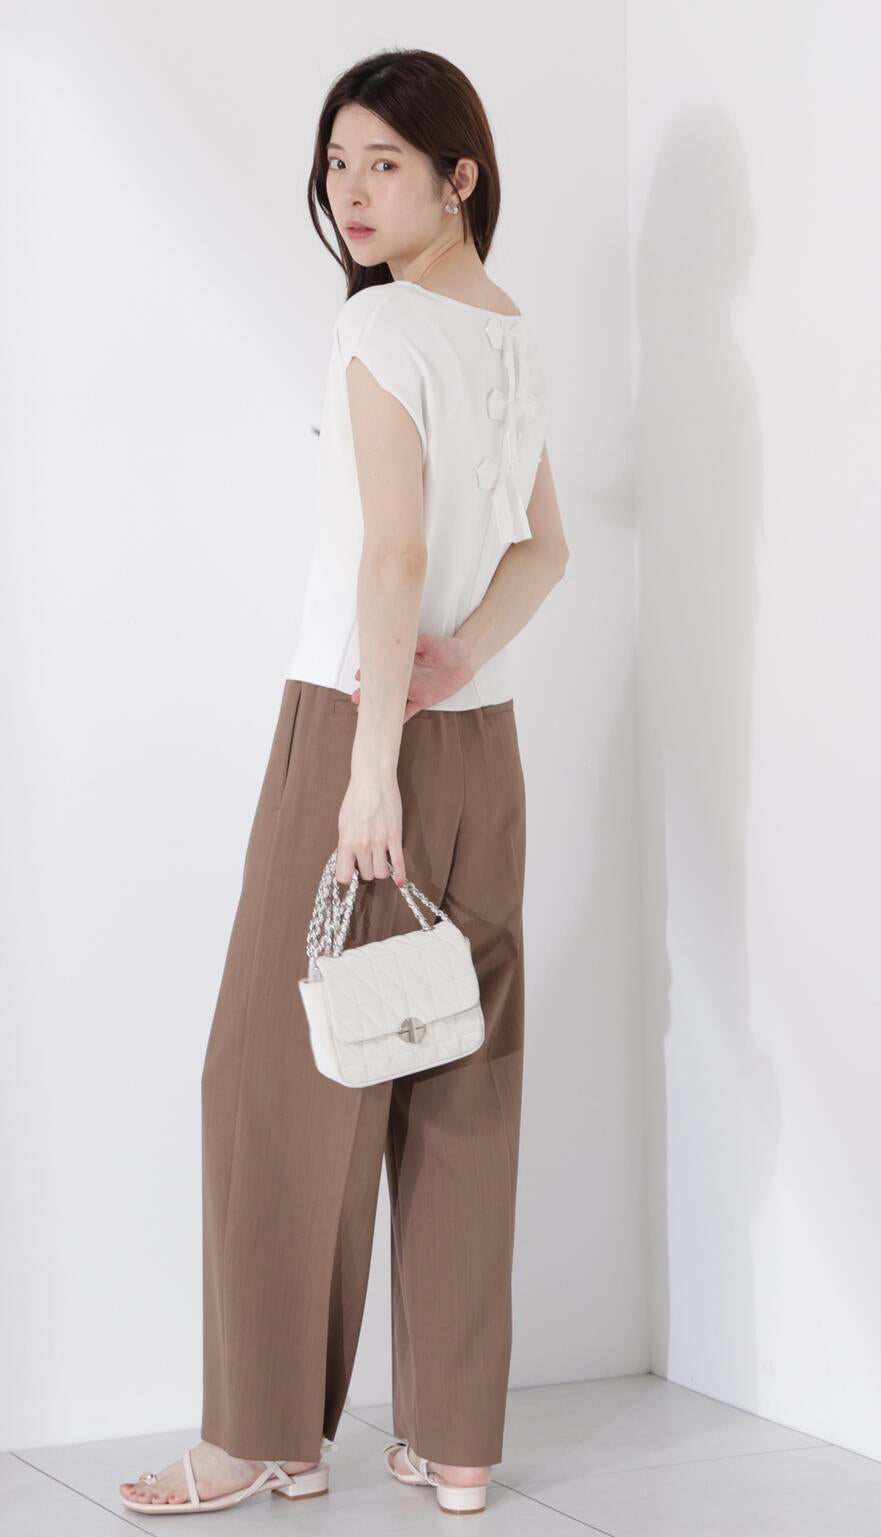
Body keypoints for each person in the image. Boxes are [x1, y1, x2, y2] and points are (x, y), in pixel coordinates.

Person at [120, 46, 569, 1516]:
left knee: (272, 1080)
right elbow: (545, 550)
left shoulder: (383, 327)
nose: (352, 193)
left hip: (352, 725)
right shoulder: (508, 332)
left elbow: (393, 552)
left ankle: (261, 1438)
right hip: (481, 742)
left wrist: (372, 762)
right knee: (457, 1073)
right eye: (337, 163)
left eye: (386, 163)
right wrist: (462, 660)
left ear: (461, 177)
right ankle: (455, 1443)